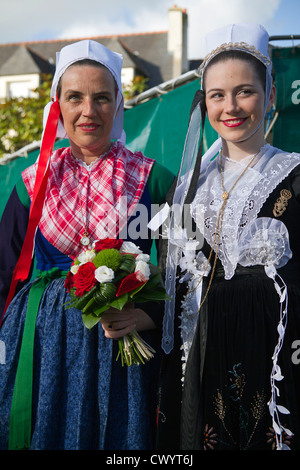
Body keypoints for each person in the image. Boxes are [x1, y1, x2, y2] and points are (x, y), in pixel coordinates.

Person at [0, 39, 174, 450]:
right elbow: (4, 269)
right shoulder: (32, 183)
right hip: (42, 341)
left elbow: (184, 269)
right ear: (57, 103)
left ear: (118, 104)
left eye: (101, 97)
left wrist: (147, 314)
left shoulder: (156, 181)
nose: (88, 111)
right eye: (74, 97)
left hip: (121, 341)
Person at [155, 23, 300, 450]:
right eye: (217, 94)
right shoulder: (184, 191)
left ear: (270, 95)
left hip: (275, 369)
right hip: (200, 370)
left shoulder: (295, 173)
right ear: (204, 102)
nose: (230, 106)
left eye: (245, 91)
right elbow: (170, 287)